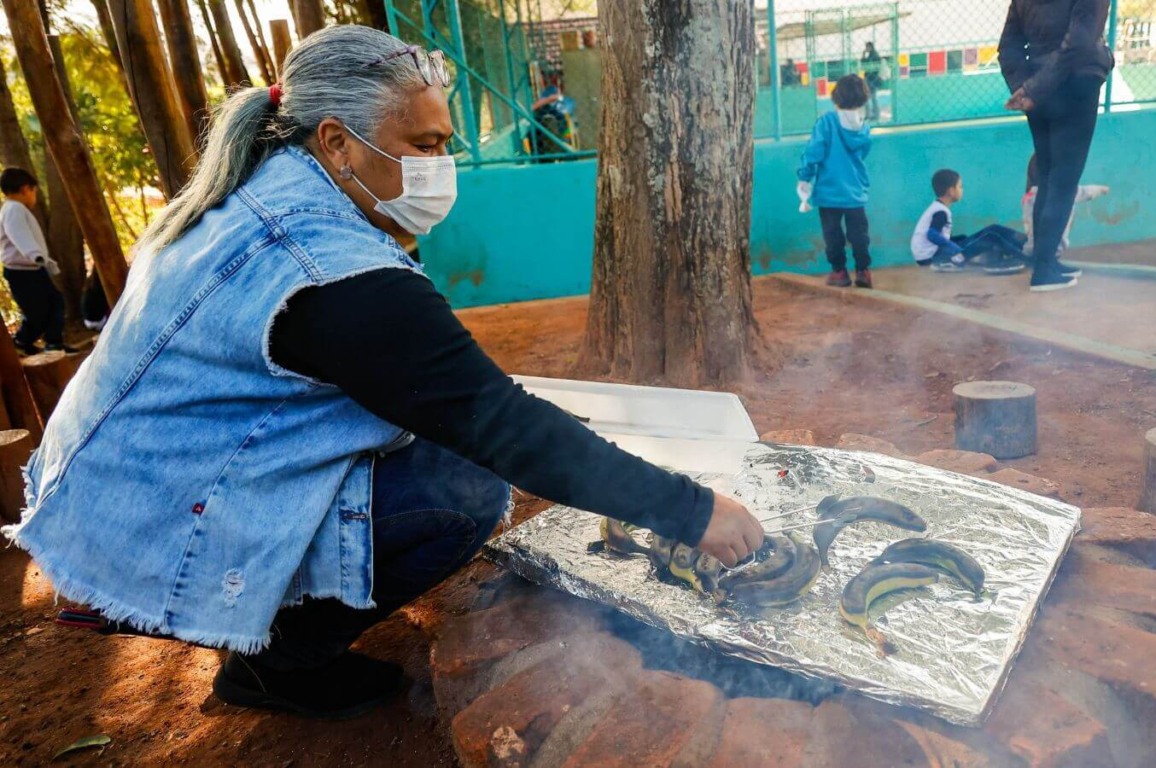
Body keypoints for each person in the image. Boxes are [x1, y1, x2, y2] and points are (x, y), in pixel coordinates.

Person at [1, 26, 764, 720]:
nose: (442, 167)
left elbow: (445, 388)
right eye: (425, 145)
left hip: (113, 498)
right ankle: (276, 663)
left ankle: (301, 603)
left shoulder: (259, 197)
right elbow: (499, 424)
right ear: (336, 141)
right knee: (465, 488)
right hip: (150, 539)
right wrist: (692, 512)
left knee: (425, 442)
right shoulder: (330, 273)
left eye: (445, 145)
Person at [999, 0, 1114, 292]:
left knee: (1048, 177)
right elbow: (1080, 45)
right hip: (1075, 84)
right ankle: (1044, 270)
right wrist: (1034, 89)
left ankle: (1045, 261)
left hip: (1038, 88)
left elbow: (1007, 48)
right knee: (1063, 180)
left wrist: (1026, 88)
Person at [797, 74, 874, 289]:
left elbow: (814, 152)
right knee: (859, 234)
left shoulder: (826, 122)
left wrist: (804, 176)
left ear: (835, 96)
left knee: (832, 234)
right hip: (855, 192)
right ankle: (863, 271)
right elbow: (863, 153)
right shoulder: (864, 128)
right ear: (863, 99)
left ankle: (839, 272)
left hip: (829, 192)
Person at [0, 167, 75, 355]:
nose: (35, 197)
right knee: (37, 311)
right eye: (34, 191)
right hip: (22, 271)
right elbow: (18, 234)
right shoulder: (13, 209)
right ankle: (21, 341)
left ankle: (54, 343)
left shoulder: (13, 209)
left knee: (54, 303)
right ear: (26, 189)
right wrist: (35, 254)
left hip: (33, 268)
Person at [912, 169, 1029, 274]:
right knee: (991, 236)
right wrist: (955, 248)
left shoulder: (937, 208)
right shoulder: (940, 211)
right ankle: (1026, 257)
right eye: (960, 186)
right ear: (951, 191)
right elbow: (932, 234)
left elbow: (939, 236)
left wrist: (959, 241)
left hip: (933, 255)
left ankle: (1025, 244)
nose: (962, 190)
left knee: (993, 228)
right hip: (935, 257)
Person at [1021, 154, 1109, 258]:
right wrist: (1102, 189)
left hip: (1030, 247)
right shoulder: (1063, 193)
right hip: (1054, 248)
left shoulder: (1028, 196)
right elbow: (1086, 192)